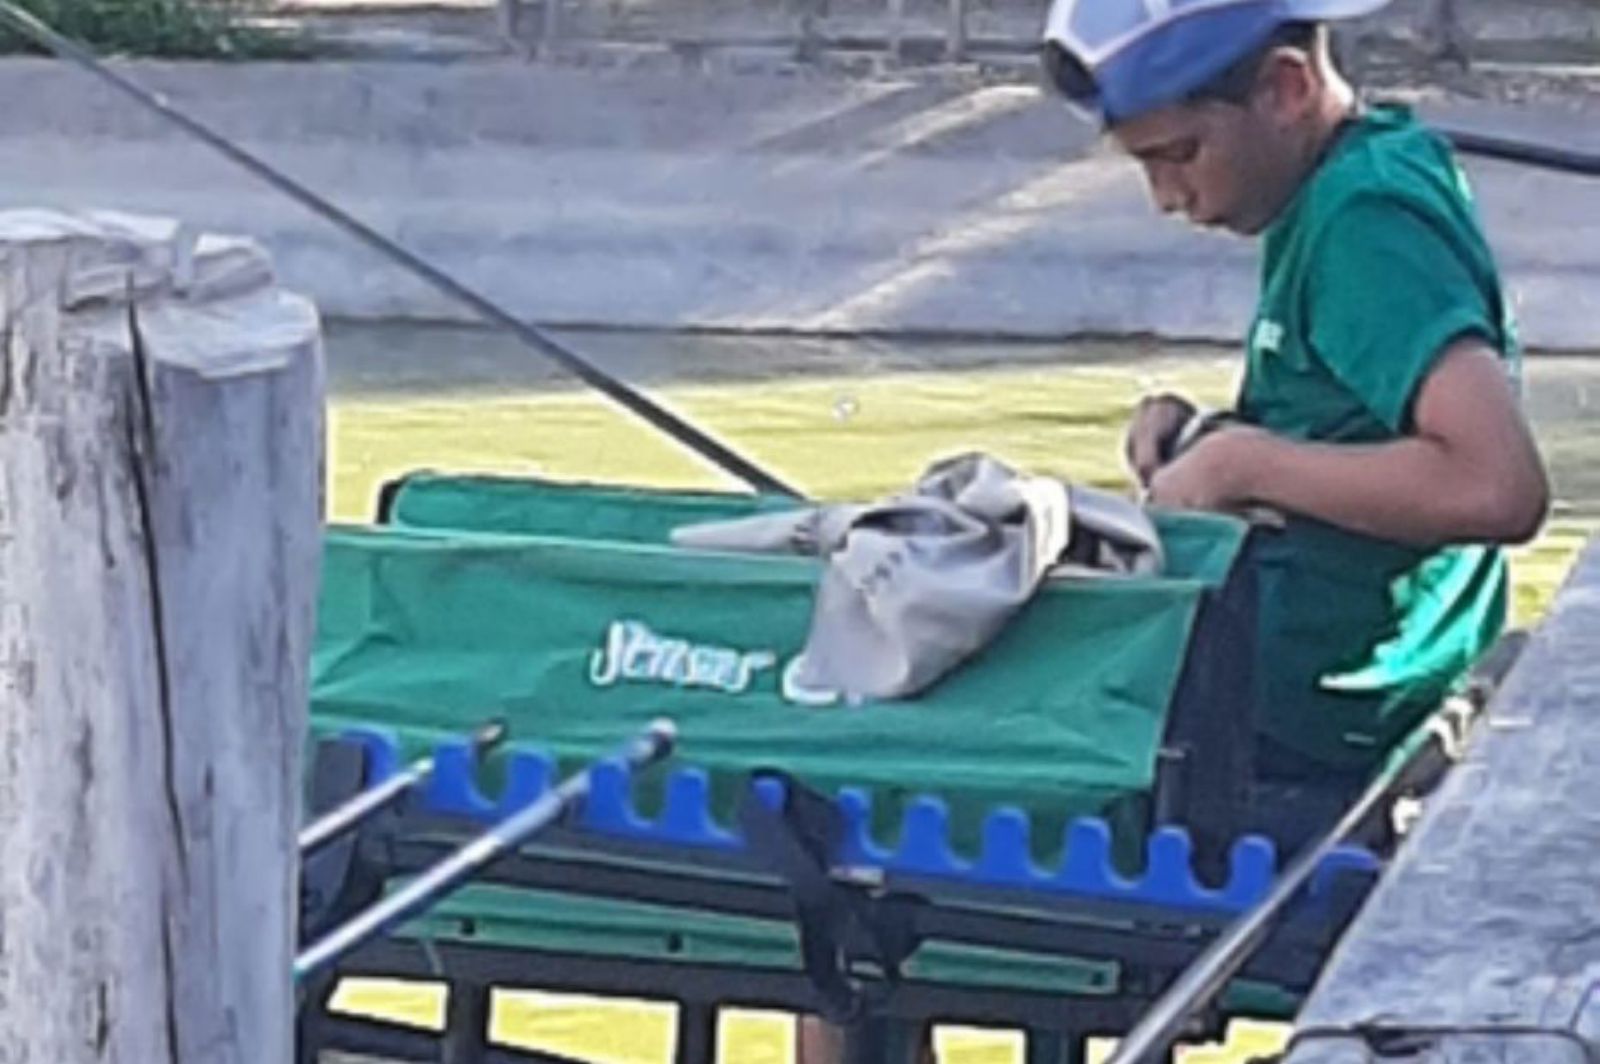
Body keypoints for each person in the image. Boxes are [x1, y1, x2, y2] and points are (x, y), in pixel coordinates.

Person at [1042, 0, 1549, 829]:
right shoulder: (1334, 185)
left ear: (1284, 87)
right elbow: (1355, 424)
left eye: (1179, 155)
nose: (1167, 198)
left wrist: (1242, 466)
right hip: (1330, 680)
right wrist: (1203, 436)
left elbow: (1496, 486)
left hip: (1325, 727)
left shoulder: (1365, 217)